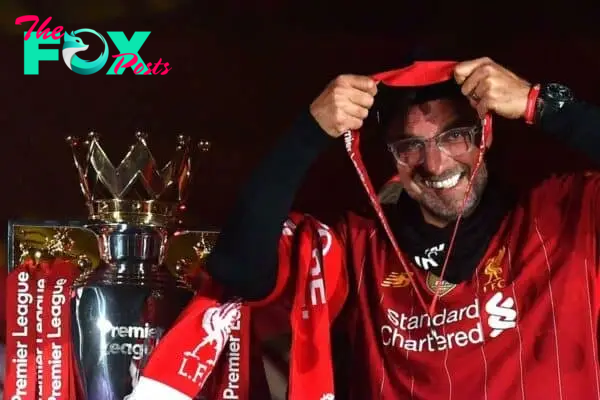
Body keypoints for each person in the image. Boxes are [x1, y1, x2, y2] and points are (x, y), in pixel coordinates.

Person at [204, 57, 600, 398]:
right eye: (410, 145)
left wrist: (542, 104)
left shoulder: (564, 216)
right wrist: (307, 133)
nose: (435, 164)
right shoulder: (360, 245)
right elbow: (239, 272)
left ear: (485, 135)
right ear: (391, 157)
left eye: (454, 136)